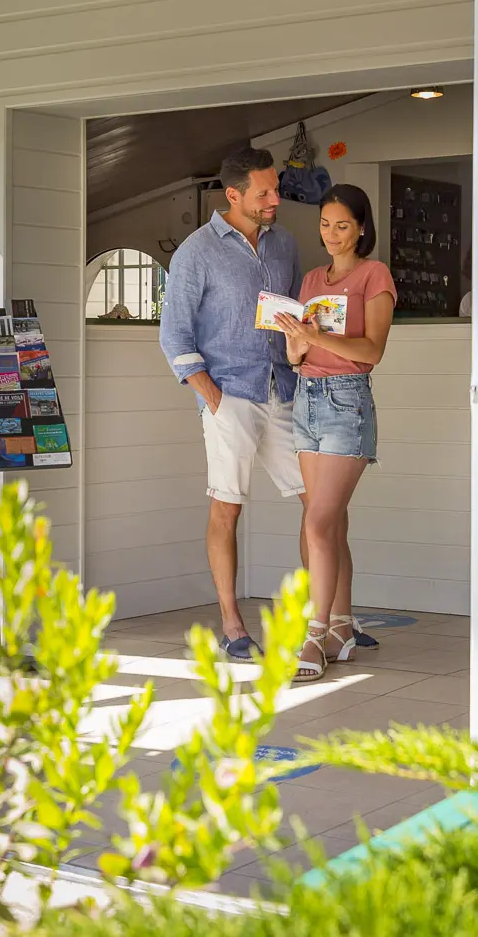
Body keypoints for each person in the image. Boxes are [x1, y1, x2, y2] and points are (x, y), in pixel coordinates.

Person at [159, 147, 306, 661]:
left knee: (320, 500)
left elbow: (294, 317)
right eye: (264, 192)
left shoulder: (285, 244)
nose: (275, 199)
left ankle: (329, 618)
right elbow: (173, 334)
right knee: (228, 506)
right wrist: (211, 396)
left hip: (283, 390)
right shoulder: (196, 252)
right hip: (229, 395)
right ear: (234, 195)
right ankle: (232, 624)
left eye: (276, 188)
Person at [273, 183, 395, 681]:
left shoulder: (375, 275)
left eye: (342, 225)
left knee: (318, 524)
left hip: (348, 401)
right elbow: (295, 356)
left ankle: (315, 633)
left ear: (362, 227)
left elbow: (372, 352)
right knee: (330, 521)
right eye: (325, 224)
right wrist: (295, 341)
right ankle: (342, 625)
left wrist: (317, 335)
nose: (332, 234)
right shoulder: (309, 280)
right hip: (306, 400)